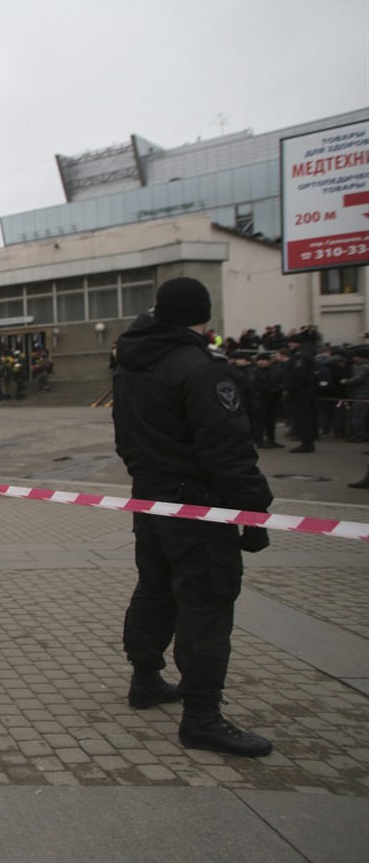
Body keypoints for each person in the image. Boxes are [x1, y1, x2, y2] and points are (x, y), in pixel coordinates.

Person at [112, 278, 274, 757]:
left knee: (156, 588)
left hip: (151, 499)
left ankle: (146, 681)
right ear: (202, 316)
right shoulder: (201, 368)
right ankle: (202, 717)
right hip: (199, 506)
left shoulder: (130, 362)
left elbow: (125, 436)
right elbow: (227, 447)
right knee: (207, 601)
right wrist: (253, 508)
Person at [283, 332, 318, 452]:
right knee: (306, 416)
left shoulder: (300, 356)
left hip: (301, 392)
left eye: (291, 342)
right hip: (305, 391)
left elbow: (299, 375)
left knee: (303, 417)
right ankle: (307, 441)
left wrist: (290, 388)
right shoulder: (305, 354)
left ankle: (306, 442)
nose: (289, 344)